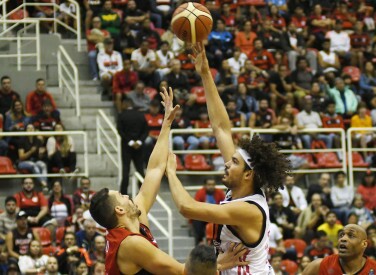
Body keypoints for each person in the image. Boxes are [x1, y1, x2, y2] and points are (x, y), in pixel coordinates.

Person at [89, 88, 246, 274]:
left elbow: (154, 170)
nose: (126, 195)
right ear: (120, 210)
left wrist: (167, 124)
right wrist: (219, 264)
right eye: (121, 195)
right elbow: (183, 272)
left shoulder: (135, 219)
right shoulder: (131, 244)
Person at [165, 43, 290, 274]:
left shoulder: (248, 209)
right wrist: (205, 73)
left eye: (233, 162)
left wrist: (171, 173)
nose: (226, 163)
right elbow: (221, 128)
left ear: (248, 173)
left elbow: (186, 207)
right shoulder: (243, 188)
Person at [303, 224, 376, 274]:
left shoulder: (373, 268)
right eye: (341, 235)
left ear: (364, 244)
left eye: (351, 235)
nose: (343, 239)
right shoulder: (318, 266)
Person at [117, 97, 149, 195]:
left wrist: (130, 141)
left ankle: (123, 193)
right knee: (140, 169)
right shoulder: (141, 115)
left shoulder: (122, 115)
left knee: (126, 171)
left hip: (126, 147)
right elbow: (146, 131)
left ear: (125, 104)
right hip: (139, 147)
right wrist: (139, 141)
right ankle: (145, 193)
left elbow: (120, 131)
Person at [191, 178, 225, 245]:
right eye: (209, 185)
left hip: (216, 216)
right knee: (196, 220)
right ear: (205, 185)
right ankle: (200, 241)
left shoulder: (220, 192)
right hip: (203, 216)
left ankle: (218, 242)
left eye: (213, 185)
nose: (211, 187)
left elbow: (224, 205)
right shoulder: (200, 193)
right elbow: (196, 207)